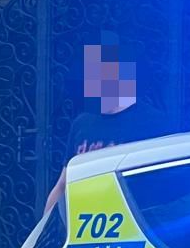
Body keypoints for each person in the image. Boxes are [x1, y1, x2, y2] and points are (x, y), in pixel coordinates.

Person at [41, 36, 170, 220]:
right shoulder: (82, 123)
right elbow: (63, 183)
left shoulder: (154, 123)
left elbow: (164, 184)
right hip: (84, 224)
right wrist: (41, 232)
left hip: (133, 224)